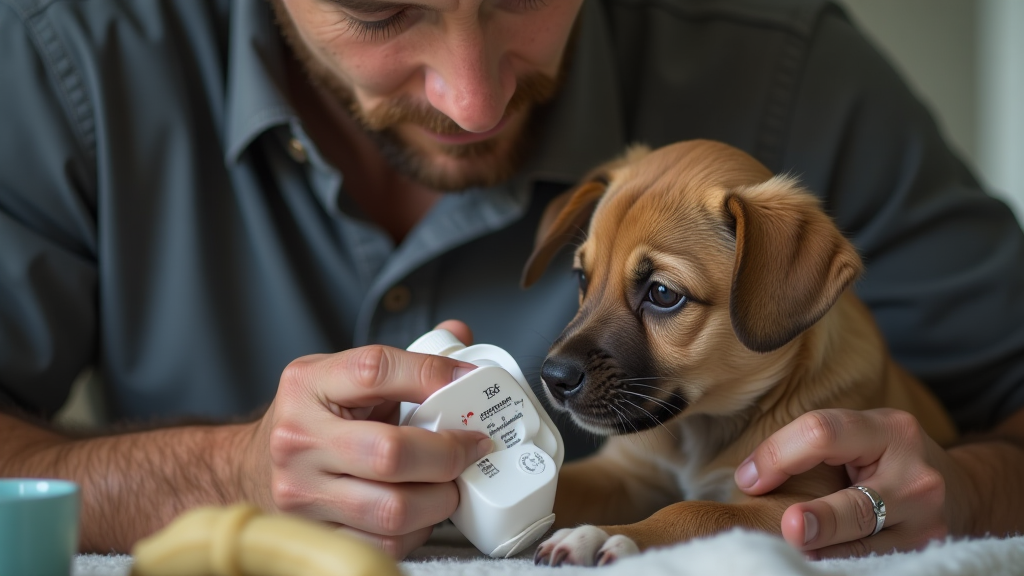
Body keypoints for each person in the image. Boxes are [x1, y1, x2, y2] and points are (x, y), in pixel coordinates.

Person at [1, 0, 1022, 561]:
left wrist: (969, 485)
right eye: (379, 6)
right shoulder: (61, 61)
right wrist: (222, 470)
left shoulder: (798, 76)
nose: (474, 99)